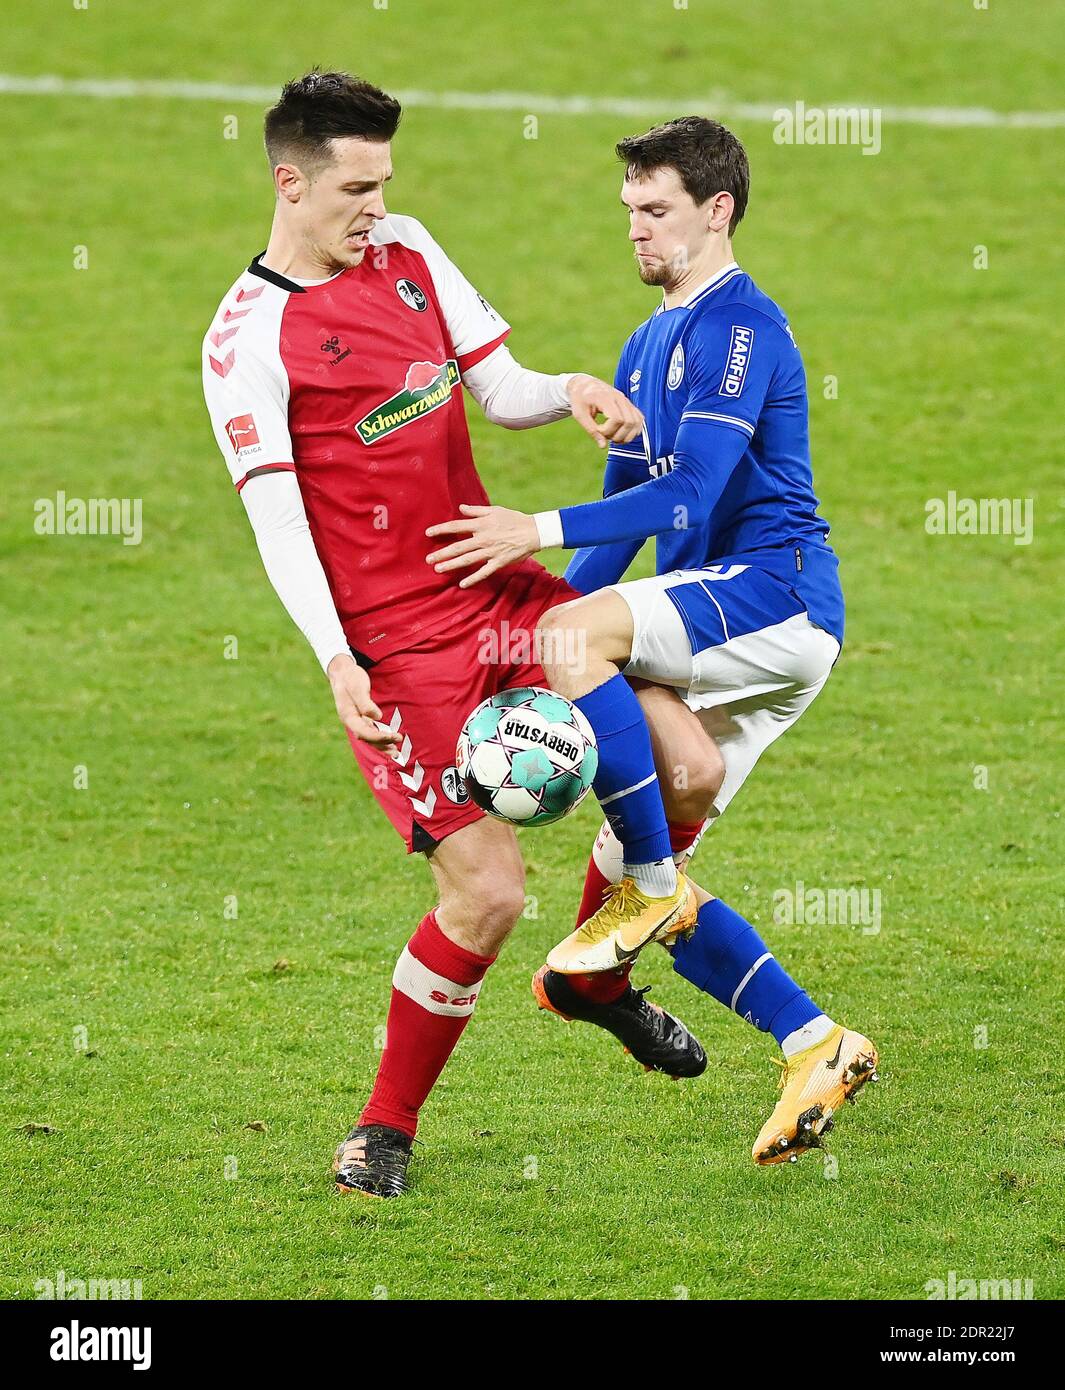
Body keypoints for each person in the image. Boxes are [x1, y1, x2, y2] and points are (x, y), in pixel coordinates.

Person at [202, 73, 713, 1199]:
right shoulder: (246, 341)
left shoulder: (411, 249)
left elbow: (497, 387)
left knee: (690, 765)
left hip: (499, 593)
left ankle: (597, 972)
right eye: (355, 187)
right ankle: (382, 1128)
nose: (376, 206)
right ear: (290, 184)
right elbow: (280, 525)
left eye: (385, 181)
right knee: (484, 894)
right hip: (398, 646)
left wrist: (570, 385)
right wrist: (337, 659)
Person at [425, 117, 880, 1164]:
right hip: (727, 618)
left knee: (637, 827)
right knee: (666, 795)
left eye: (658, 209)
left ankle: (651, 896)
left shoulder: (740, 330)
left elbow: (695, 497)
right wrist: (525, 634)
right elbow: (625, 524)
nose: (636, 228)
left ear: (717, 212)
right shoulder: (646, 342)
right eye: (629, 208)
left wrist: (530, 539)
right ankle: (815, 1042)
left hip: (777, 597)